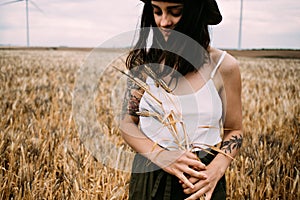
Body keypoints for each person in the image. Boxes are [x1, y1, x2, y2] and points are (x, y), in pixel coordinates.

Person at [119, 0, 243, 199]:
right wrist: (161, 155)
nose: (164, 22)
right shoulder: (144, 64)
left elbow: (234, 130)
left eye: (175, 12)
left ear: (196, 13)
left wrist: (216, 171)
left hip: (201, 180)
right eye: (156, 11)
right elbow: (127, 123)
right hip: (150, 176)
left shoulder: (224, 66)